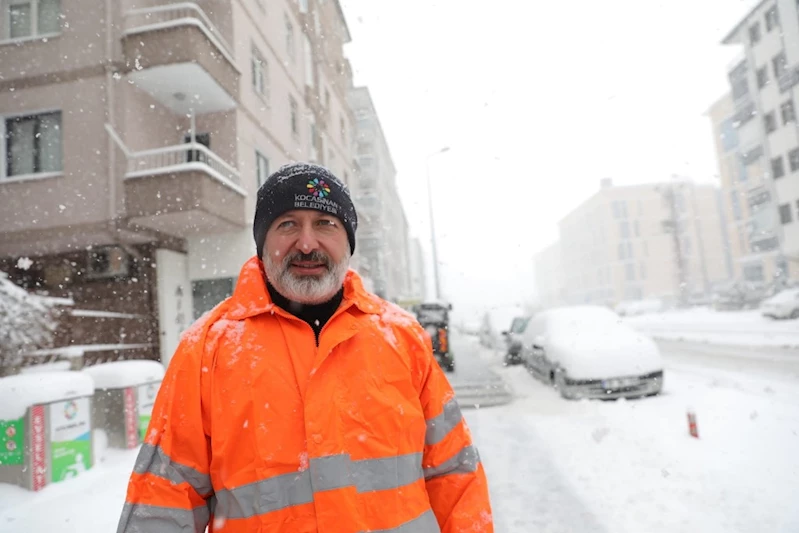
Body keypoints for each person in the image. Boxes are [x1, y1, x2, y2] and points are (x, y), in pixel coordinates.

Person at [117, 163, 493, 533]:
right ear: (263, 243)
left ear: (348, 242)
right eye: (287, 225)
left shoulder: (403, 338)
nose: (307, 243)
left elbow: (454, 476)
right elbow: (164, 498)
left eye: (325, 224)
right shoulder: (207, 348)